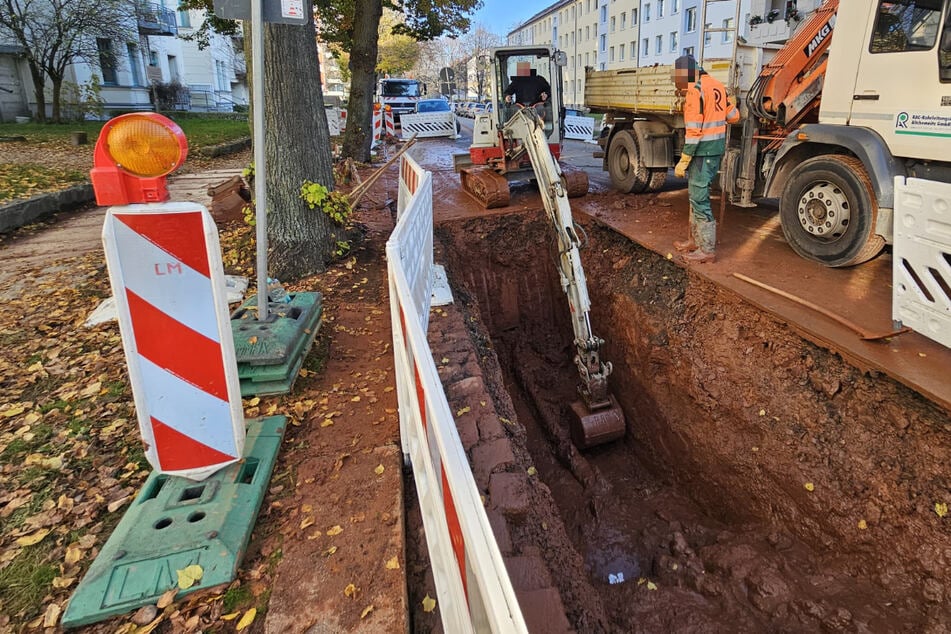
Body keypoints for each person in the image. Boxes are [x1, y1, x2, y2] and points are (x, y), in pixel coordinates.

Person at [671, 55, 740, 264]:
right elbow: (734, 116)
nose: (678, 84)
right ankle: (694, 241)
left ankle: (706, 250)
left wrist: (684, 159)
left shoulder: (696, 91)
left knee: (699, 198)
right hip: (714, 151)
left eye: (678, 79)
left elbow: (693, 131)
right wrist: (731, 104)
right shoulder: (718, 86)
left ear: (686, 74)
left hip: (703, 153)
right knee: (695, 195)